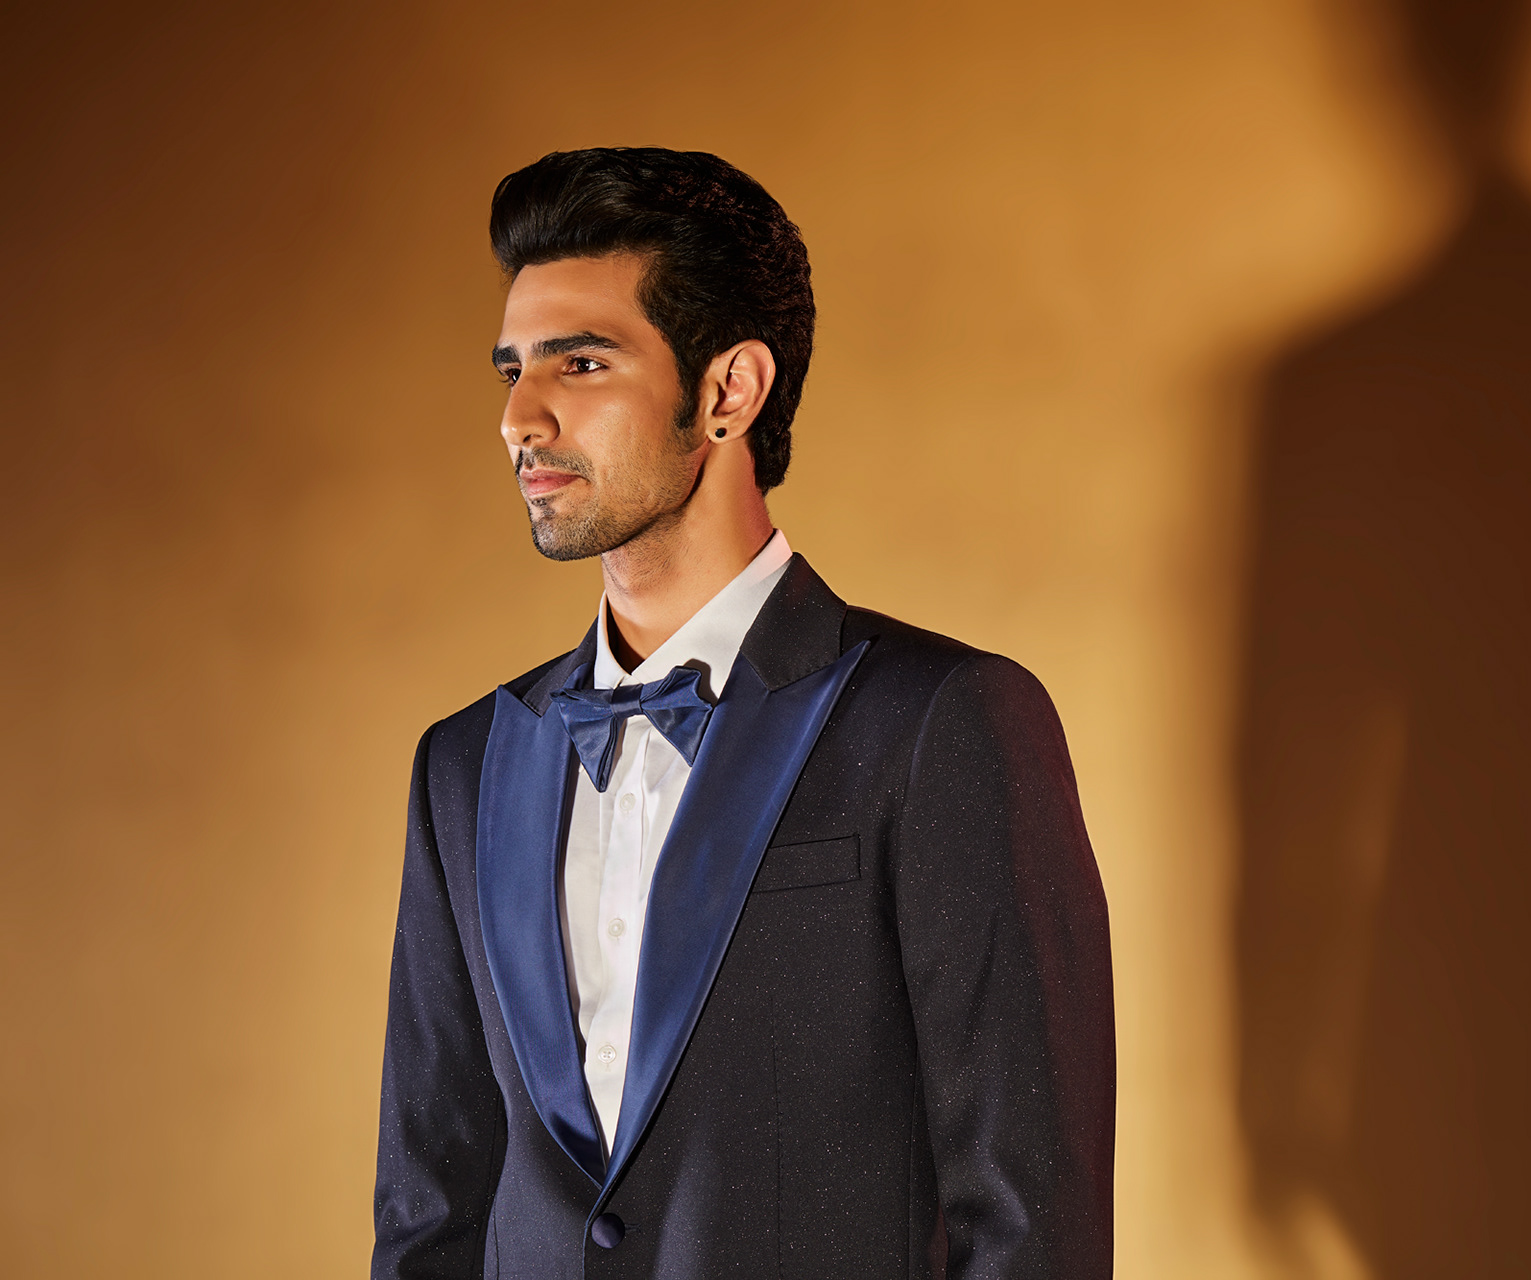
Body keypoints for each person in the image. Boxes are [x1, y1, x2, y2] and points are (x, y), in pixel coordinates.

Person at [372, 147, 1115, 1280]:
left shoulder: (940, 721)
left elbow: (1030, 1224)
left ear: (729, 391)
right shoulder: (464, 766)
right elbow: (428, 1212)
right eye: (512, 369)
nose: (520, 417)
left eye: (581, 362)